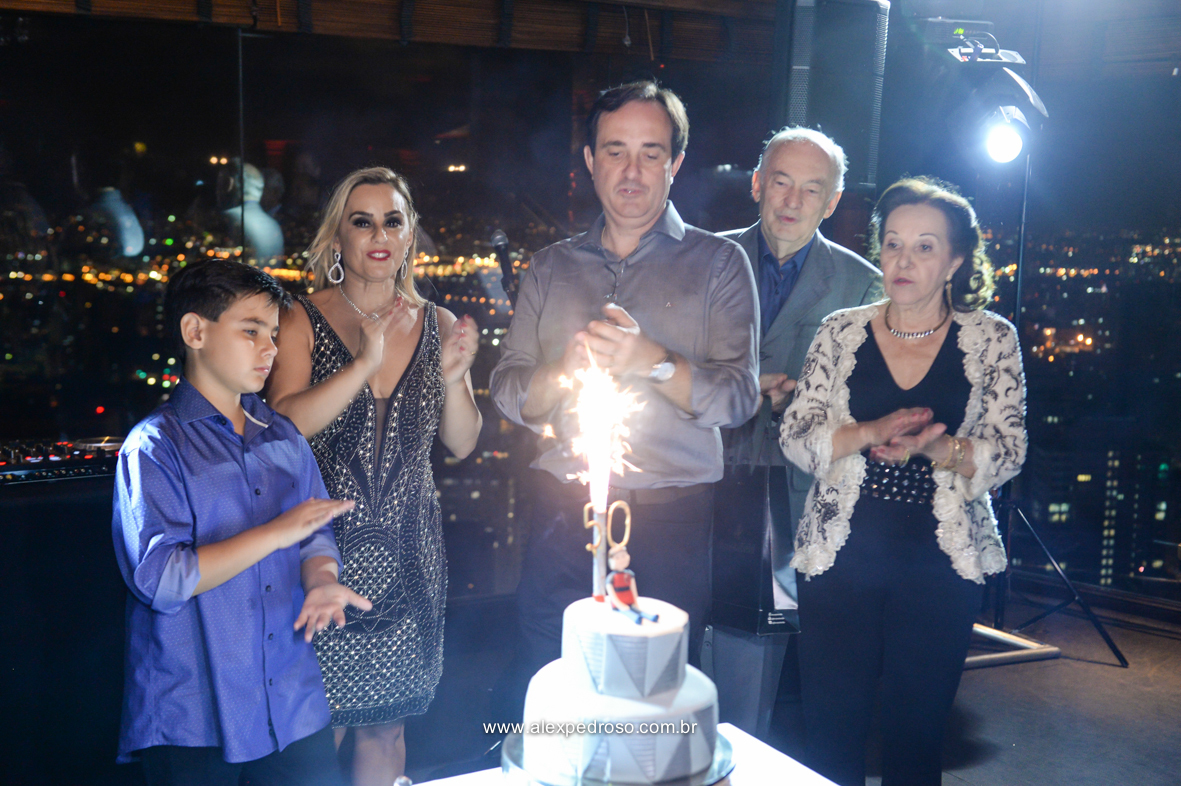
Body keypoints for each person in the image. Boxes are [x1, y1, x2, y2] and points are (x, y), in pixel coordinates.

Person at [490, 80, 760, 680]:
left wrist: (652, 361)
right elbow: (508, 389)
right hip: (564, 509)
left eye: (651, 152)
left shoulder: (719, 263)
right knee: (549, 673)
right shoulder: (550, 265)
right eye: (615, 151)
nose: (631, 170)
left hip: (674, 513)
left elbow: (738, 398)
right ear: (590, 162)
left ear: (676, 164)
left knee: (656, 688)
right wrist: (563, 371)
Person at [779, 177, 1027, 786]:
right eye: (892, 244)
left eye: (924, 247)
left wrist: (936, 446)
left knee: (916, 739)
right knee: (831, 733)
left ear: (956, 261)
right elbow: (796, 435)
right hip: (840, 560)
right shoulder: (841, 330)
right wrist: (870, 431)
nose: (903, 260)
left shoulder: (993, 338)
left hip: (940, 567)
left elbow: (1011, 450)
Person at [112, 259, 370, 786]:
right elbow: (163, 579)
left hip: (292, 696)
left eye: (273, 334)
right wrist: (278, 531)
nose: (270, 348)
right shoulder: (154, 446)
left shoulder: (283, 436)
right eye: (251, 330)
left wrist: (321, 580)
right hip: (192, 714)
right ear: (195, 331)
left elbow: (315, 531)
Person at [267, 167, 481, 786]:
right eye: (362, 221)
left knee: (387, 727)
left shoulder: (438, 322)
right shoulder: (301, 319)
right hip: (320, 560)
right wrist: (365, 362)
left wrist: (453, 378)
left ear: (411, 235)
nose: (378, 234)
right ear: (338, 239)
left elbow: (463, 443)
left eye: (393, 219)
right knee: (314, 734)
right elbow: (287, 425)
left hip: (412, 560)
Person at [719, 127, 882, 609]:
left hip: (797, 493)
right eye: (781, 182)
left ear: (831, 203)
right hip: (702, 475)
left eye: (812, 189)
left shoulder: (864, 286)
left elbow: (867, 402)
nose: (793, 201)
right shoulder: (705, 258)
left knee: (769, 652)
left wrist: (806, 399)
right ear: (756, 184)